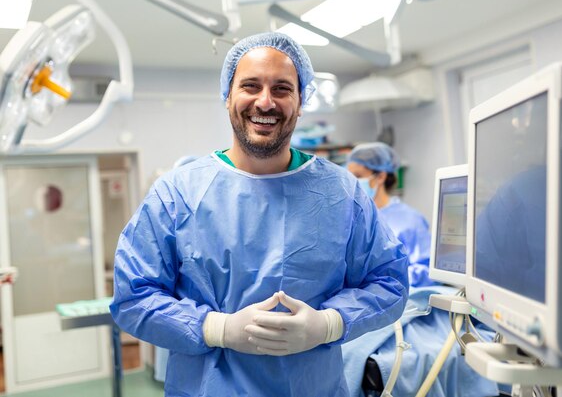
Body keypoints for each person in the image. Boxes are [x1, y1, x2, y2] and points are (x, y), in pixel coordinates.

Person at [110, 32, 408, 397]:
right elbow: (133, 297)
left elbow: (389, 282)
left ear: (300, 102)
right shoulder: (177, 194)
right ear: (228, 96)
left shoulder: (343, 194)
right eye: (250, 86)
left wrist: (329, 323)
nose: (265, 102)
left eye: (282, 89)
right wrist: (217, 329)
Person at [347, 142, 436, 287]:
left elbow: (427, 270)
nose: (352, 182)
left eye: (358, 176)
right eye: (348, 176)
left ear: (381, 176)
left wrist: (387, 279)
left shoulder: (409, 219)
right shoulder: (351, 216)